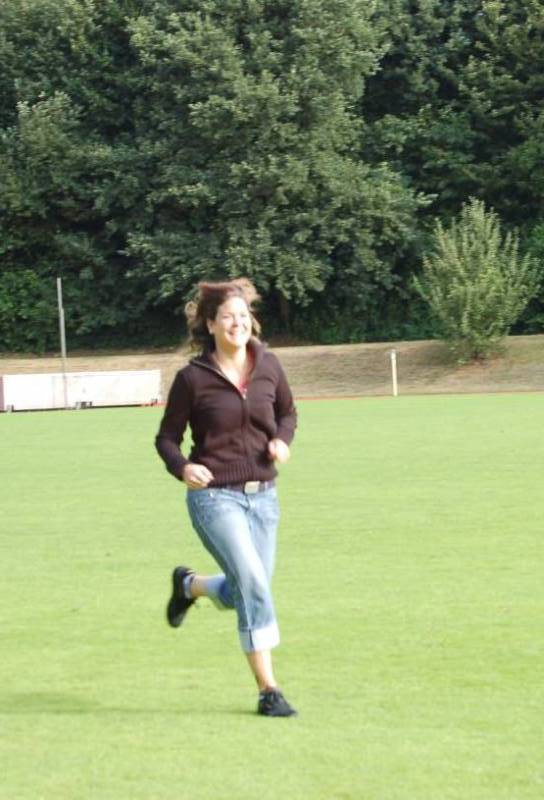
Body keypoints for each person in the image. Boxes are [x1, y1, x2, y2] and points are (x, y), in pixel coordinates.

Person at [155, 278, 298, 717]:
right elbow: (166, 439)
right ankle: (269, 690)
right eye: (227, 317)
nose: (237, 323)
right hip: (215, 498)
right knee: (253, 584)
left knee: (249, 588)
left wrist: (282, 440)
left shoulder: (269, 365)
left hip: (264, 497)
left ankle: (190, 586)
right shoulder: (192, 379)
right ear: (211, 325)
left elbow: (288, 413)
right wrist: (184, 467)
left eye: (242, 315)